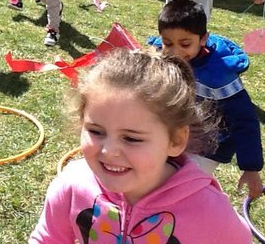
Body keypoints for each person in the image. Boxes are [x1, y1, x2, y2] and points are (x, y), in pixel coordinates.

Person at [29, 49, 252, 243]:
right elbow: (48, 238)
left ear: (176, 141)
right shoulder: (72, 184)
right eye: (96, 132)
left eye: (132, 138)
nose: (108, 151)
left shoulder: (211, 214)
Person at [153, 0, 264, 199]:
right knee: (158, 175)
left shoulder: (220, 76)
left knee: (183, 187)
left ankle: (207, 205)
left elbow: (245, 121)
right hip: (179, 133)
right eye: (168, 43)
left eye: (185, 44)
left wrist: (250, 167)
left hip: (210, 145)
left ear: (203, 39)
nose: (176, 52)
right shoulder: (162, 55)